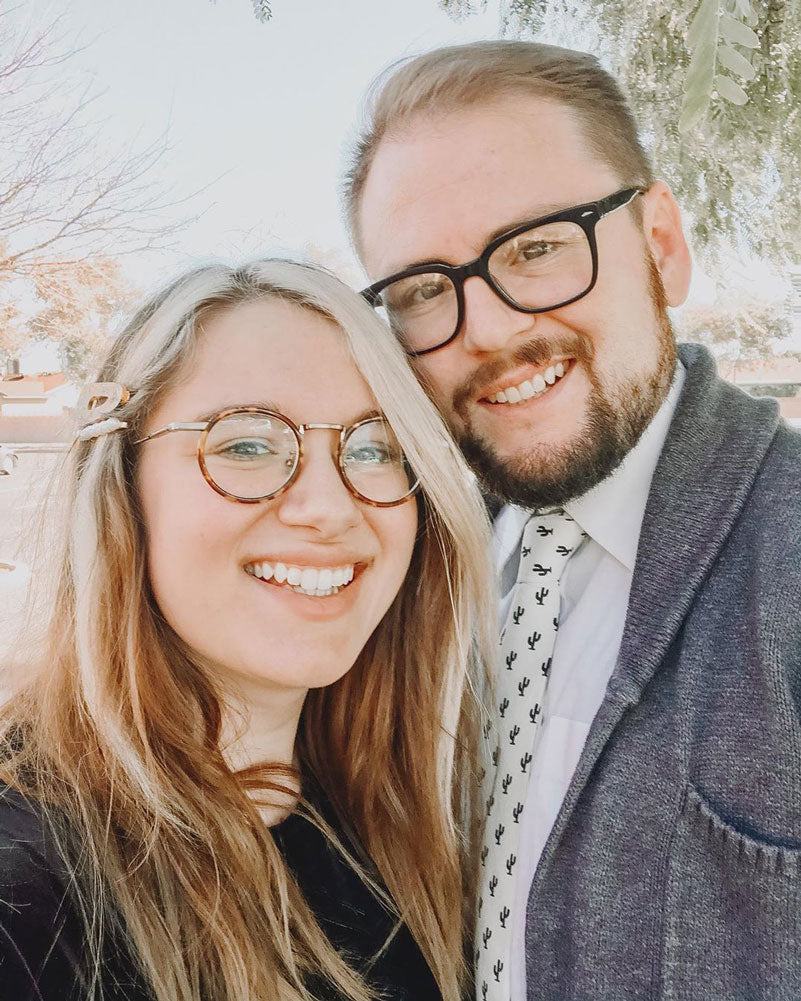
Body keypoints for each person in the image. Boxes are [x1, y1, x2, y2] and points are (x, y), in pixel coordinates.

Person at [344, 39, 801, 1001]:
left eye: (537, 246)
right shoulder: (395, 572)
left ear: (660, 246)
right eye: (425, 289)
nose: (491, 330)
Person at [0, 259, 494, 1001]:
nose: (329, 508)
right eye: (247, 443)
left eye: (373, 447)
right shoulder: (28, 891)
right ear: (123, 486)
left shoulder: (407, 816)